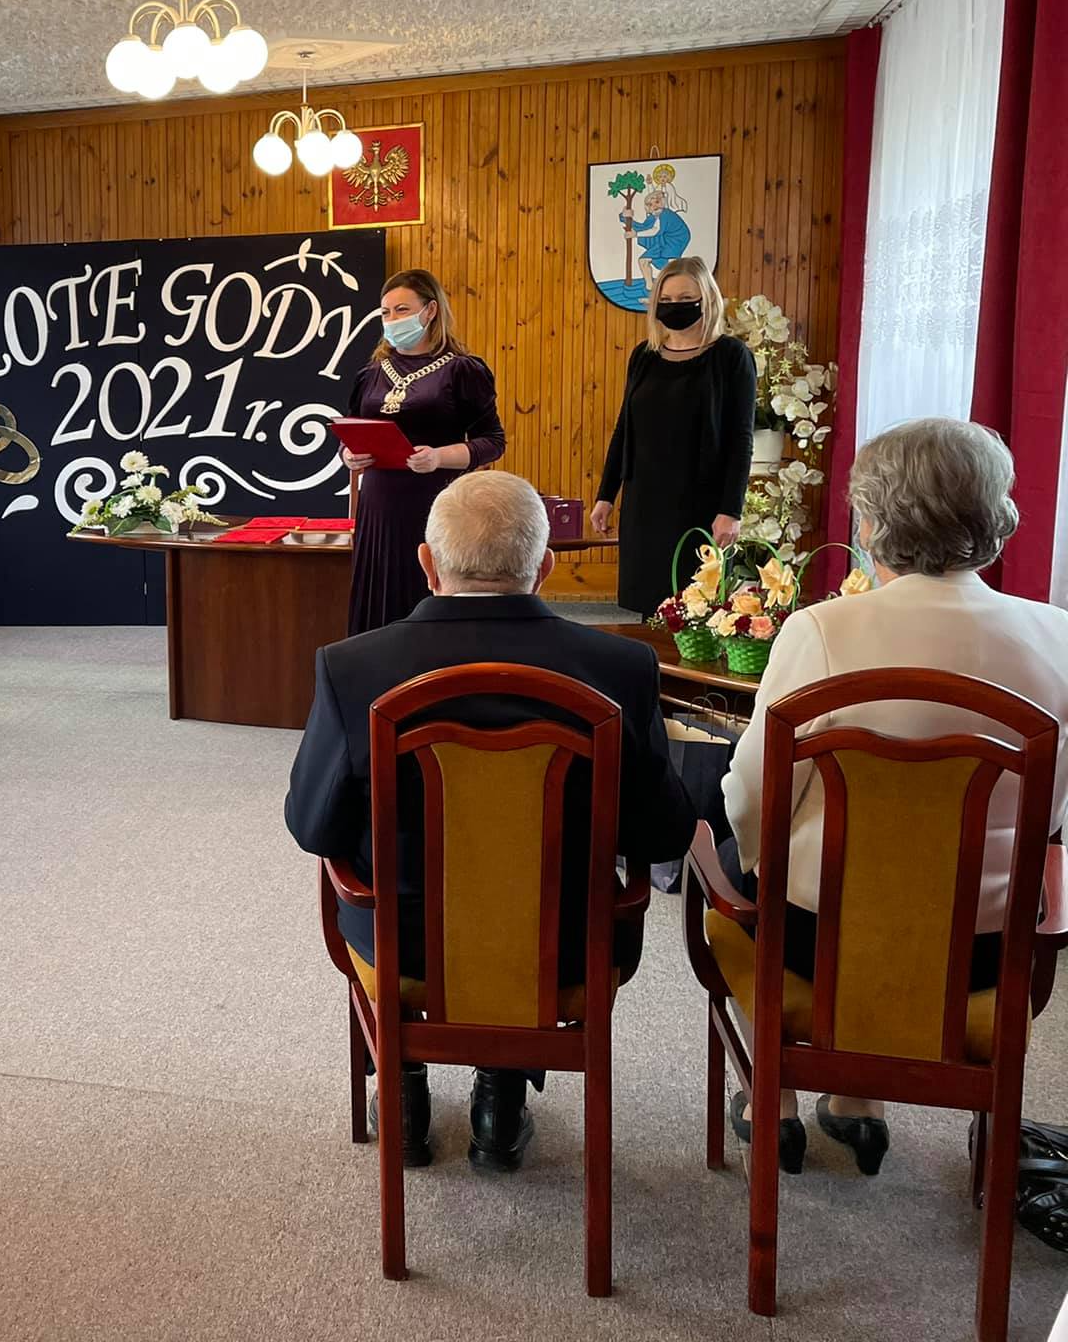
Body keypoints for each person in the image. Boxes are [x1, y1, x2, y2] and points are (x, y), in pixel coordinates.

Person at [286, 471, 696, 1170]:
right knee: (529, 904)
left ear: (427, 563)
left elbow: (313, 828)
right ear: (546, 566)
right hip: (567, 949)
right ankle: (499, 1105)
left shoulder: (352, 668)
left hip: (404, 948)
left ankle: (402, 1089)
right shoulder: (623, 668)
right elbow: (663, 834)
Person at [717, 418, 1068, 1175]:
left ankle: (776, 1098)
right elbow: (1053, 817)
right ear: (996, 515)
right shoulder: (1059, 638)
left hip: (819, 943)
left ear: (872, 521)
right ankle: (858, 1101)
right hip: (982, 954)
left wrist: (751, 862)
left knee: (734, 864)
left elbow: (755, 796)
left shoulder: (822, 631)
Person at [339, 268, 505, 635]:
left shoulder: (462, 369)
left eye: (402, 310)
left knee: (428, 599)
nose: (392, 320)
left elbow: (492, 441)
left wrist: (439, 456)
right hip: (378, 509)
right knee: (378, 608)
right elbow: (350, 433)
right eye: (385, 312)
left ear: (430, 311)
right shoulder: (371, 373)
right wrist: (349, 455)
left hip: (435, 504)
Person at [590, 256, 756, 614]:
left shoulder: (731, 356)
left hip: (701, 503)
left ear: (706, 299)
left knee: (698, 610)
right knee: (649, 607)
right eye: (666, 300)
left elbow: (741, 439)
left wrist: (731, 510)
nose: (674, 306)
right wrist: (606, 495)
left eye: (685, 299)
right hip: (645, 502)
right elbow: (624, 429)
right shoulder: (644, 356)